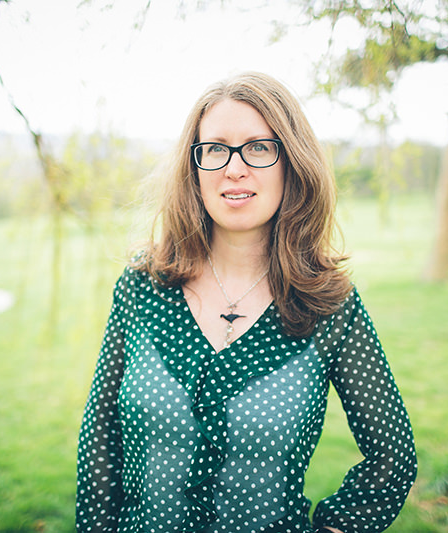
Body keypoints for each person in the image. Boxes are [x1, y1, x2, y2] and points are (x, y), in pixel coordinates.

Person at [76, 72, 417, 533]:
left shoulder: (328, 306)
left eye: (258, 147)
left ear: (290, 161)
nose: (234, 168)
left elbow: (392, 456)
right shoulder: (143, 286)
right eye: (215, 149)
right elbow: (100, 434)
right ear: (194, 168)